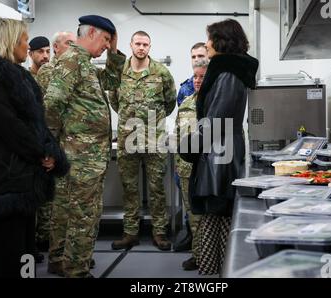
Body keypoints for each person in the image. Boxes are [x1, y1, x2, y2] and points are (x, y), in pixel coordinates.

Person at [0, 17, 69, 278]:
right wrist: (40, 152)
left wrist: (49, 153)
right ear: (11, 41)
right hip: (4, 180)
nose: (27, 45)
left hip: (23, 179)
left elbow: (35, 122)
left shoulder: (20, 77)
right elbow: (11, 127)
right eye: (24, 40)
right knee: (6, 256)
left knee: (25, 255)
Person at [44, 15, 126, 278]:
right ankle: (76, 270)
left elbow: (112, 83)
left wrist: (114, 53)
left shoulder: (85, 64)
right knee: (83, 216)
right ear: (91, 32)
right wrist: (49, 149)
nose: (105, 46)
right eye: (104, 39)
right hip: (80, 157)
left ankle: (59, 260)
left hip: (83, 156)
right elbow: (52, 105)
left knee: (66, 210)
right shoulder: (72, 60)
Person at [179, 19, 258, 276]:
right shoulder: (227, 71)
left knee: (220, 219)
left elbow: (215, 122)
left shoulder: (227, 74)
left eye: (210, 38)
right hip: (219, 152)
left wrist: (187, 147)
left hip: (220, 157)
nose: (207, 43)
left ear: (222, 40)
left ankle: (220, 274)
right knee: (216, 220)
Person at [110, 31, 176, 251]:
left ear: (150, 46)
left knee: (157, 188)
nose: (141, 48)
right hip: (127, 139)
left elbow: (169, 103)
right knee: (129, 188)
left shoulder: (161, 72)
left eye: (145, 44)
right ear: (131, 45)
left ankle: (159, 233)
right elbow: (114, 100)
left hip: (154, 140)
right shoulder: (120, 71)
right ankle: (130, 233)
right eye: (138, 43)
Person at [34, 31, 76, 252]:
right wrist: (49, 149)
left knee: (72, 205)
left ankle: (69, 252)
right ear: (57, 48)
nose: (72, 48)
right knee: (57, 205)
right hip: (56, 145)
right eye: (68, 44)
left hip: (74, 146)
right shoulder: (48, 71)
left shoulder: (75, 69)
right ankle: (57, 254)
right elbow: (45, 112)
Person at [175, 59, 208, 270]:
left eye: (202, 77)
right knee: (193, 215)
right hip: (187, 170)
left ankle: (210, 255)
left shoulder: (215, 103)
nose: (197, 81)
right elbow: (179, 137)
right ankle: (198, 255)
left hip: (208, 169)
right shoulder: (186, 103)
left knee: (209, 216)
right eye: (195, 76)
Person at [37, 31, 76, 96]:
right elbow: (62, 94)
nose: (74, 47)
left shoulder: (78, 66)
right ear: (56, 47)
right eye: (69, 43)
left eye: (76, 44)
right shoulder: (46, 69)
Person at [176, 42, 208, 106]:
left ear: (209, 57)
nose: (196, 60)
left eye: (200, 56)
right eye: (193, 57)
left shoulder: (218, 84)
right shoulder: (185, 88)